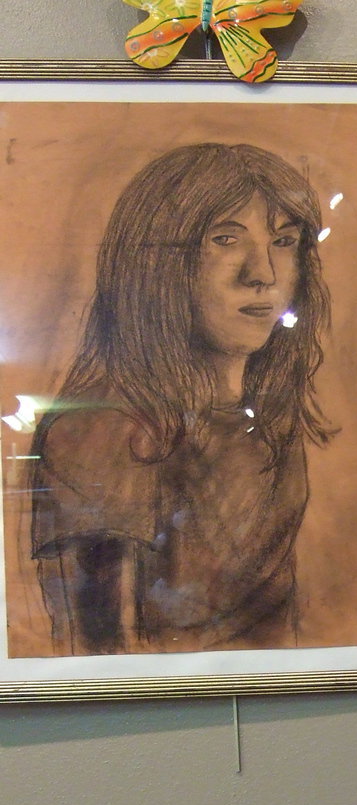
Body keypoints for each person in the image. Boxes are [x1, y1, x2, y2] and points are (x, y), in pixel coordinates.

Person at [29, 142, 333, 655]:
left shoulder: (269, 423)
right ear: (156, 264)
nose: (262, 272)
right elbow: (104, 662)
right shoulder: (104, 428)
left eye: (283, 241)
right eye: (224, 239)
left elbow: (277, 637)